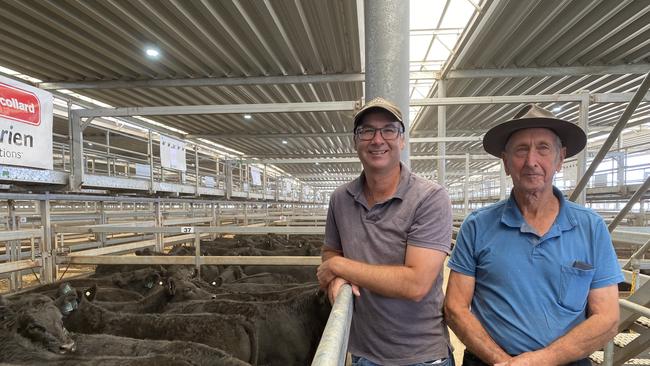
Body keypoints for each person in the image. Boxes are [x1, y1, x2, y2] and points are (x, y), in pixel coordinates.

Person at [445, 104, 623, 366]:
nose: (531, 161)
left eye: (543, 148)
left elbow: (607, 318)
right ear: (506, 163)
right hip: (490, 362)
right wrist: (503, 361)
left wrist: (540, 360)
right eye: (521, 150)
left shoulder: (591, 228)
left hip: (566, 361)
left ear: (560, 159)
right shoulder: (477, 226)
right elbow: (455, 308)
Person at [317, 97, 454, 366]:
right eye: (366, 131)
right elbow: (330, 251)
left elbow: (416, 284)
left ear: (402, 140)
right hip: (363, 354)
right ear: (355, 141)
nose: (377, 139)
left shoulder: (430, 198)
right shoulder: (340, 199)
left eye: (389, 130)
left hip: (422, 356)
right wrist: (336, 278)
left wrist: (338, 266)